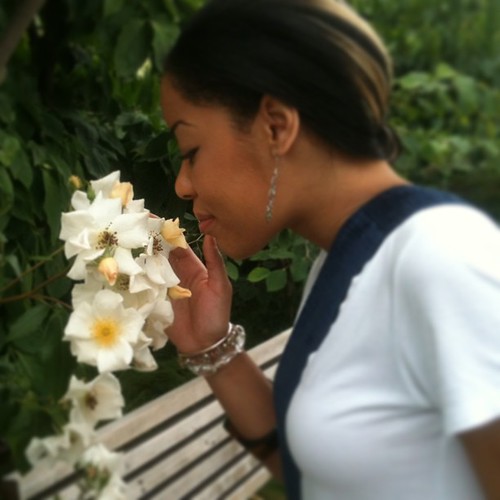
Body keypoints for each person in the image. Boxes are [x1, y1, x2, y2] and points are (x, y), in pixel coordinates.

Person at [160, 0, 500, 498]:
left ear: (275, 125)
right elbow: (318, 473)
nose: (183, 185)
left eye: (191, 151)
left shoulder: (441, 256)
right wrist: (210, 346)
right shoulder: (346, 260)